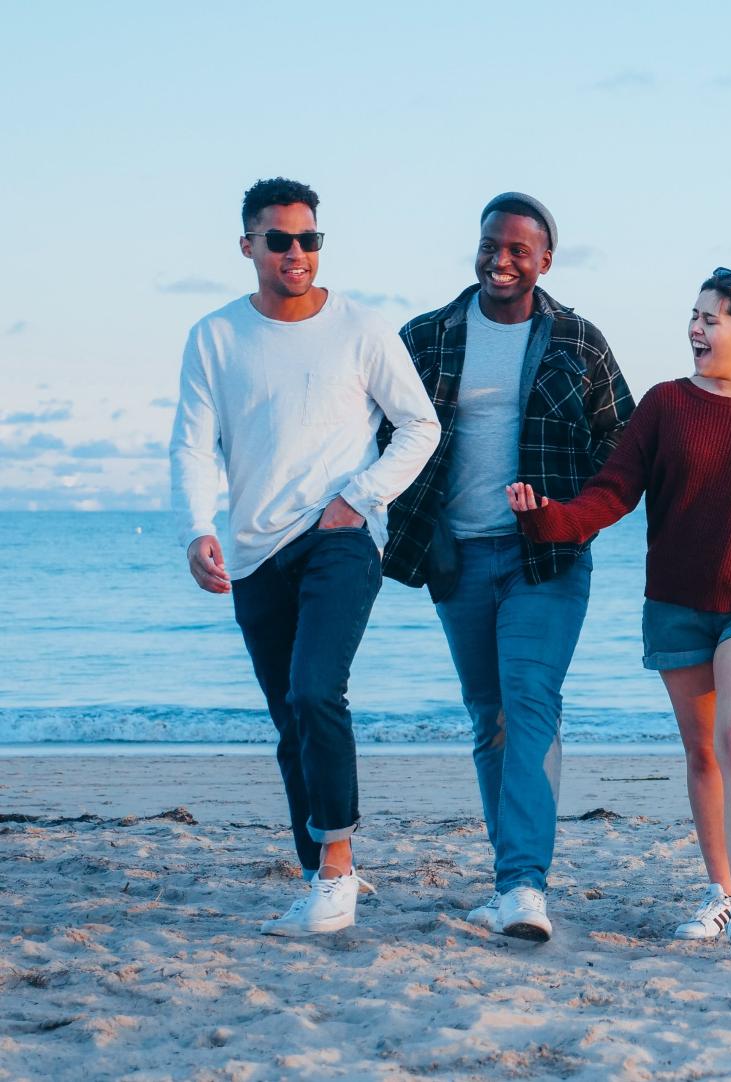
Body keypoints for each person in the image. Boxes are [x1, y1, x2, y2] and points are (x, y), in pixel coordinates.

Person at [509, 269, 731, 962]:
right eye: (692, 316)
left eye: (711, 319)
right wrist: (550, 519)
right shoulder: (665, 405)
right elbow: (612, 494)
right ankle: (720, 894)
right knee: (703, 754)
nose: (695, 329)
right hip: (677, 603)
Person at [170, 177, 439, 935]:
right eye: (280, 239)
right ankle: (326, 867)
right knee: (291, 717)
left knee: (318, 690)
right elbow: (192, 445)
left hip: (339, 538)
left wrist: (360, 497)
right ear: (249, 245)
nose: (297, 252)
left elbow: (419, 425)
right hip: (255, 551)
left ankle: (336, 873)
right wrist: (196, 528)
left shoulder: (361, 328)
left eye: (309, 239)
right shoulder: (215, 337)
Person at [382, 193, 634, 942]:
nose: (501, 259)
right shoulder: (425, 337)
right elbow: (374, 432)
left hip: (545, 557)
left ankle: (524, 885)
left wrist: (567, 511)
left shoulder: (578, 341)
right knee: (488, 719)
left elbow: (620, 445)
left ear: (545, 261)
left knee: (530, 705)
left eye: (519, 250)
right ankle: (510, 879)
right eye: (491, 244)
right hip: (456, 557)